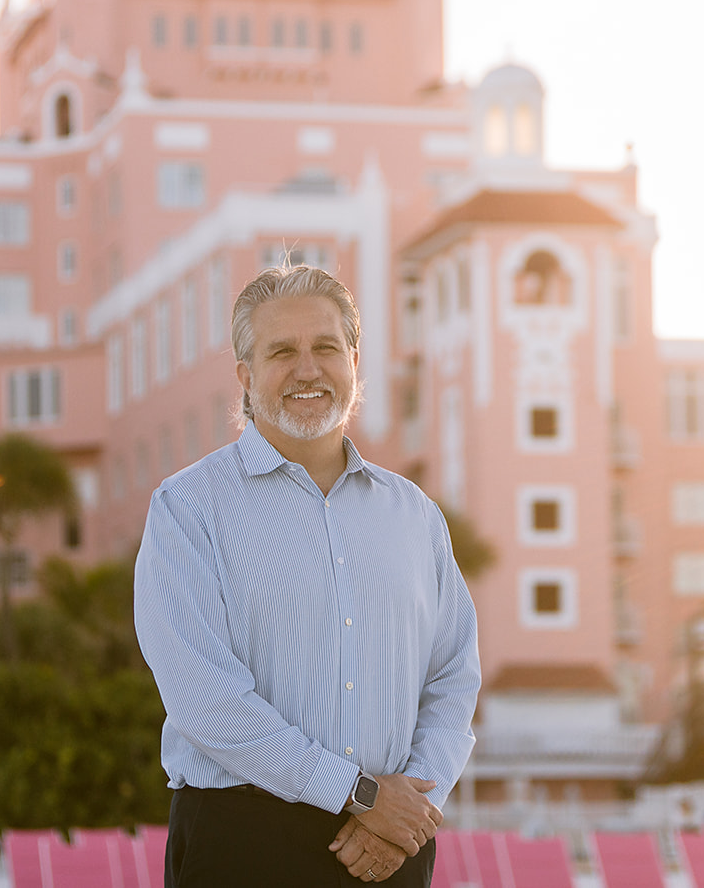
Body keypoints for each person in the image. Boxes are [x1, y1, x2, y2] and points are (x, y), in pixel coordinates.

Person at [135, 264, 482, 887]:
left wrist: (406, 808)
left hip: (391, 851)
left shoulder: (416, 515)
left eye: (325, 347)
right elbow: (201, 695)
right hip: (243, 845)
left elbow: (453, 677)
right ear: (245, 376)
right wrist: (359, 794)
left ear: (354, 361)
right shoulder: (186, 509)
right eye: (281, 351)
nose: (307, 369)